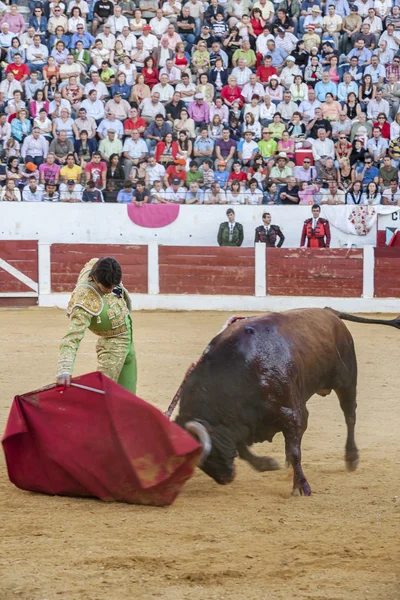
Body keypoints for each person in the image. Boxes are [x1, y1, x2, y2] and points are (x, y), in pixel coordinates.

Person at [56, 257, 137, 394]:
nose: (111, 290)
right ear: (95, 279)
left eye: (114, 285)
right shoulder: (85, 298)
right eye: (107, 287)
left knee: (128, 396)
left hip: (128, 337)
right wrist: (64, 369)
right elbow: (72, 337)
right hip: (112, 345)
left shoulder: (100, 266)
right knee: (104, 394)